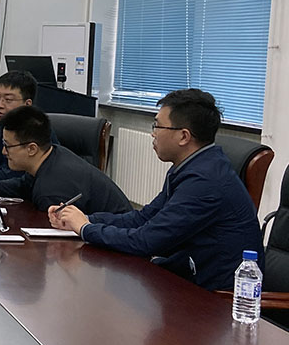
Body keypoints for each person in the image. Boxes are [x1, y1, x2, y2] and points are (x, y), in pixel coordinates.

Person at [49, 88, 263, 290]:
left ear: (184, 136)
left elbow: (146, 241)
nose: (153, 134)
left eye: (157, 127)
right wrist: (83, 219)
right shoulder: (188, 168)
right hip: (186, 279)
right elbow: (142, 219)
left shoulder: (205, 182)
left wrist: (85, 228)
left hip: (215, 301)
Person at [0, 105, 130, 215]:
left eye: (7, 146)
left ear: (31, 149)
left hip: (119, 254)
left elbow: (55, 241)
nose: (3, 152)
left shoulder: (53, 190)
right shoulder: (52, 155)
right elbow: (24, 185)